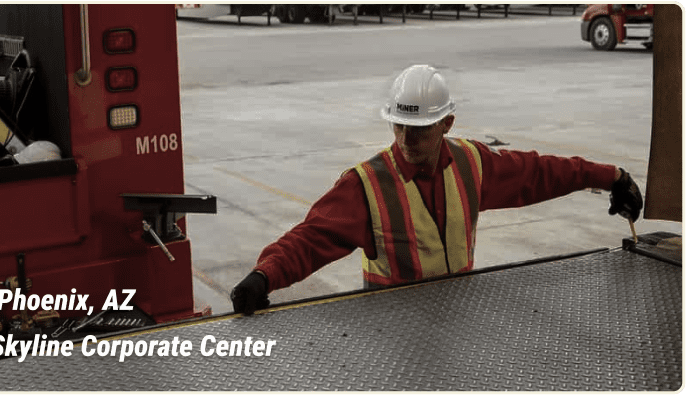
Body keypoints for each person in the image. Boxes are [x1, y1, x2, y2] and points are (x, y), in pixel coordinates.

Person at [230, 64, 643, 315]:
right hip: (392, 333)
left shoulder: (473, 164)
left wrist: (611, 176)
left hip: (458, 320)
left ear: (447, 124)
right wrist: (263, 276)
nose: (407, 140)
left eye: (420, 129)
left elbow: (540, 173)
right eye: (399, 126)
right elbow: (311, 238)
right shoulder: (366, 184)